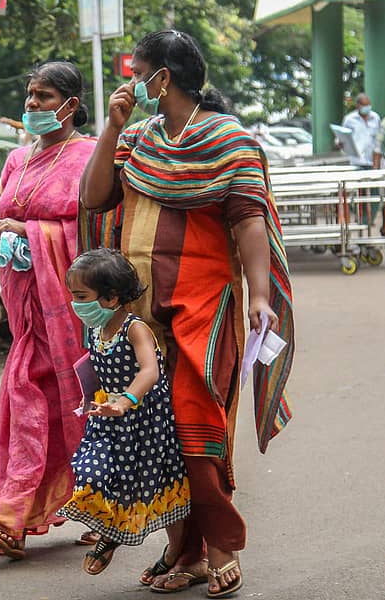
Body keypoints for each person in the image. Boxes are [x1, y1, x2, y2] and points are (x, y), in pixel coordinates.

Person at [80, 30, 295, 597]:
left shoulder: (229, 139)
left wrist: (258, 296)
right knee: (154, 430)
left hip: (207, 305)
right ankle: (183, 549)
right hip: (141, 308)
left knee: (197, 429)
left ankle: (220, 546)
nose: (133, 81)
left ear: (162, 78)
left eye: (138, 71)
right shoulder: (141, 136)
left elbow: (250, 220)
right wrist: (111, 127)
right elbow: (94, 196)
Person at [0, 60, 97, 558]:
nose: (32, 105)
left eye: (44, 96)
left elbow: (91, 232)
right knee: (29, 400)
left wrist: (33, 233)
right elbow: (8, 218)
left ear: (70, 104)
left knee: (79, 406)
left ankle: (31, 513)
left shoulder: (88, 156)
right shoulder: (16, 160)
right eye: (30, 95)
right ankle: (14, 515)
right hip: (26, 308)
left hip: (71, 310)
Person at [56, 249, 190, 577]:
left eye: (81, 296)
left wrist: (125, 400)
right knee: (92, 473)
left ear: (111, 297)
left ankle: (175, 551)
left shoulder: (135, 329)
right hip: (108, 421)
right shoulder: (96, 330)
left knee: (159, 487)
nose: (75, 303)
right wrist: (94, 400)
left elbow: (149, 371)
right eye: (73, 295)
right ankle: (110, 533)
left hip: (145, 422)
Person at [341, 93, 381, 168]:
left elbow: (378, 139)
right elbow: (343, 137)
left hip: (373, 161)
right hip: (356, 162)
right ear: (358, 106)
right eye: (364, 105)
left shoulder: (376, 118)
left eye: (368, 105)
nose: (367, 107)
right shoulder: (349, 119)